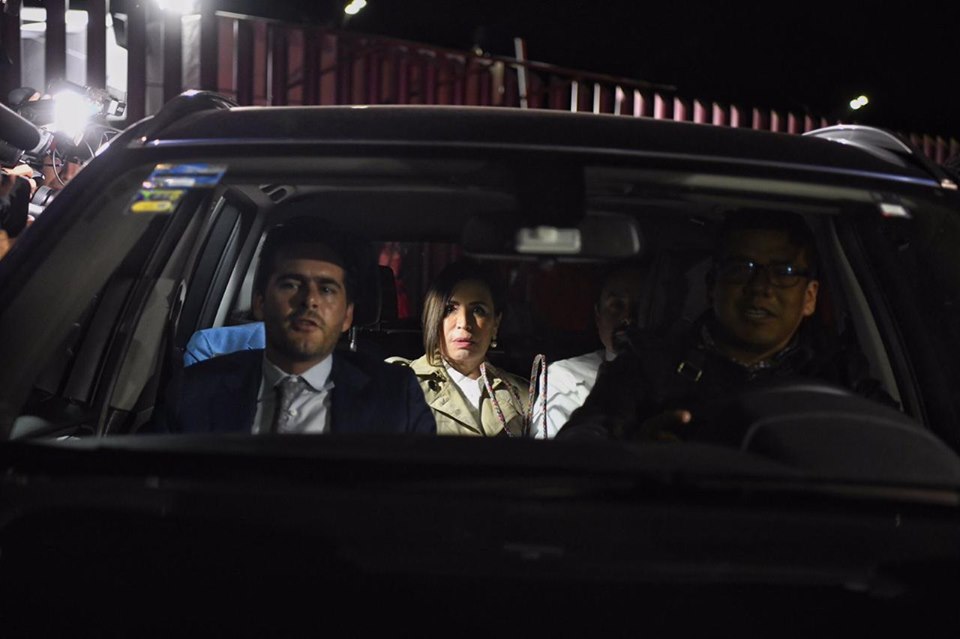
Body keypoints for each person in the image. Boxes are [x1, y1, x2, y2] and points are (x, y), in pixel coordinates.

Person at [558, 209, 894, 444]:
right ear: (711, 286)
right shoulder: (647, 365)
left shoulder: (840, 376)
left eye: (784, 272)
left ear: (810, 297)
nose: (760, 287)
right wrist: (635, 453)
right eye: (741, 268)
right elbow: (579, 445)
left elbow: (903, 450)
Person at [166, 217, 436, 435]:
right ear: (260, 302)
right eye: (291, 284)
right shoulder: (194, 392)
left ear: (347, 315)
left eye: (327, 289)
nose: (309, 300)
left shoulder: (396, 398)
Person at [388, 260, 530, 436]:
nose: (464, 323)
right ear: (434, 317)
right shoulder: (398, 381)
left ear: (495, 323)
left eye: (478, 310)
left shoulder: (522, 396)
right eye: (450, 309)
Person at [532, 263, 649, 439]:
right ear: (598, 316)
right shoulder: (566, 376)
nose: (628, 318)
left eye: (642, 306)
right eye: (616, 305)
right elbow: (557, 452)